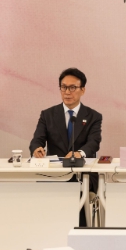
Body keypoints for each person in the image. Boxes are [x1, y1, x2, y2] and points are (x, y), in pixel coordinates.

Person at [29, 68, 102, 224]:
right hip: (54, 175)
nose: (67, 92)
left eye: (72, 87)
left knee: (78, 214)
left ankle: (80, 234)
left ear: (83, 90)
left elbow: (94, 142)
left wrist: (80, 153)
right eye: (64, 87)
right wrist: (36, 149)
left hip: (81, 175)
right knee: (48, 215)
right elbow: (37, 140)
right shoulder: (48, 115)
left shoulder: (93, 116)